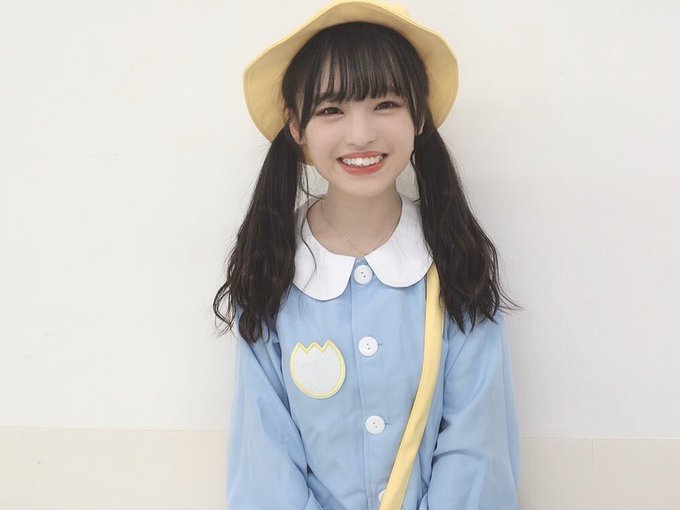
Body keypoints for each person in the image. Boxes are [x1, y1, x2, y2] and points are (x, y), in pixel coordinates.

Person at [213, 1, 522, 508]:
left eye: (385, 104)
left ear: (418, 116)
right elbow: (264, 458)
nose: (360, 134)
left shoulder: (455, 262)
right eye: (331, 110)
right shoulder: (270, 269)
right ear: (296, 128)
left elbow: (477, 450)